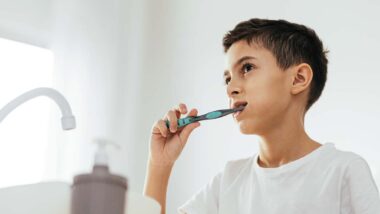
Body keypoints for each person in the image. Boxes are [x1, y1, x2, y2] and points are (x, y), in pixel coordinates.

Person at [143, 18, 380, 214]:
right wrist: (159, 165)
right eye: (227, 78)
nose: (230, 88)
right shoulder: (229, 181)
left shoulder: (344, 171)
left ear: (298, 79)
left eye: (247, 68)